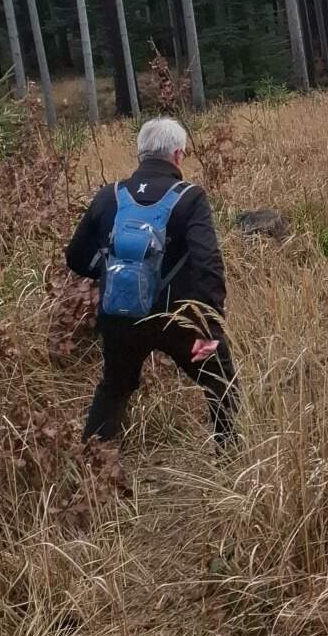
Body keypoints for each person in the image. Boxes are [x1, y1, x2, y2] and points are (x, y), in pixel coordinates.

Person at [66, 115, 238, 449]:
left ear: (140, 154)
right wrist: (210, 324)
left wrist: (117, 274)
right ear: (178, 155)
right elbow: (207, 263)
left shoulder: (109, 195)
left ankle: (93, 466)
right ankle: (229, 461)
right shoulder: (190, 198)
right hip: (179, 321)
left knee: (114, 389)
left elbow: (75, 256)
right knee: (221, 384)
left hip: (119, 317)